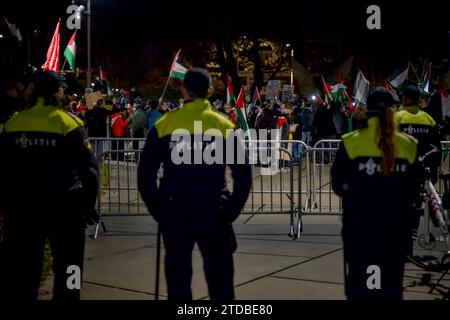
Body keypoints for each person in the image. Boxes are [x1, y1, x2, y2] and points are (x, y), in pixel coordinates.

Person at [138, 68, 252, 300]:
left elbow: (145, 175)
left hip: (175, 211)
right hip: (214, 211)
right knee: (221, 284)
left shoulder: (164, 124)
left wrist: (158, 209)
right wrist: (230, 211)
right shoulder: (224, 126)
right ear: (209, 91)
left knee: (178, 283)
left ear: (183, 89)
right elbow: (243, 177)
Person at [0, 71, 99, 300]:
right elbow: (89, 171)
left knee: (22, 271)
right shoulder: (70, 123)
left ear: (33, 91)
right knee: (71, 266)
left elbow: (4, 169)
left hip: (22, 211)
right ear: (57, 93)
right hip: (65, 209)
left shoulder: (14, 124)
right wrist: (88, 205)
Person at [331, 87, 420, 300]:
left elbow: (337, 184)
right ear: (393, 111)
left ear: (367, 111)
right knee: (389, 289)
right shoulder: (409, 145)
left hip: (360, 230)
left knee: (363, 289)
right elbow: (413, 190)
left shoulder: (350, 142)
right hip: (394, 231)